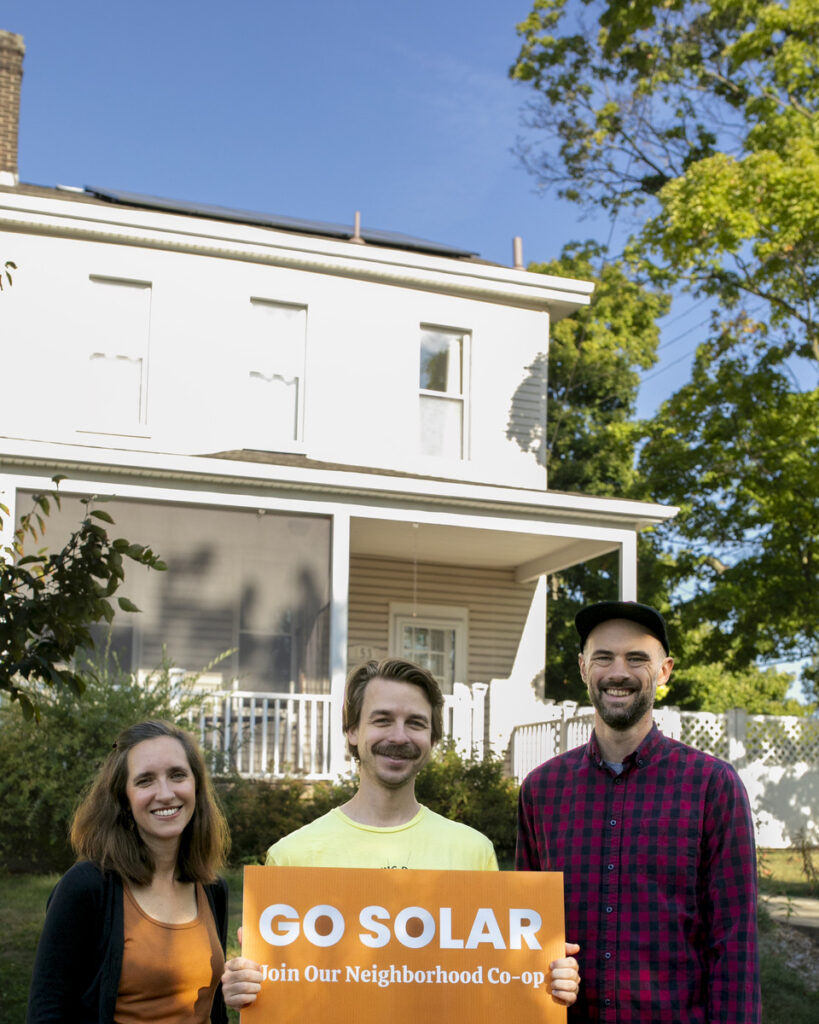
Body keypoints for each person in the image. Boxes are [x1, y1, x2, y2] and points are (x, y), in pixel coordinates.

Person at [222, 657, 581, 1008]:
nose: (399, 736)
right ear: (352, 731)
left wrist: (545, 976)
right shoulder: (291, 856)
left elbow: (498, 978)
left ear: (432, 737)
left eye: (416, 723)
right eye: (382, 720)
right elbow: (280, 992)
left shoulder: (474, 850)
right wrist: (246, 986)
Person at [516, 601, 760, 1024]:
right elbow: (526, 934)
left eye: (636, 659)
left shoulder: (712, 786)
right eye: (603, 658)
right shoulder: (541, 790)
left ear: (664, 671)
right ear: (582, 667)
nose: (618, 673)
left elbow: (734, 943)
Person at [27, 719, 231, 1024]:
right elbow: (47, 1012)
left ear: (196, 786)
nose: (165, 793)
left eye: (177, 775)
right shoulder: (87, 887)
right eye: (145, 780)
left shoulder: (213, 888)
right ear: (124, 798)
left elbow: (213, 1010)